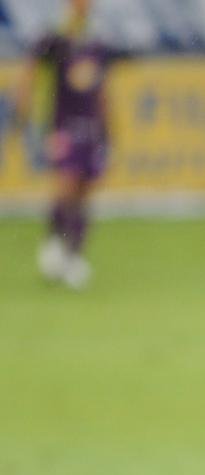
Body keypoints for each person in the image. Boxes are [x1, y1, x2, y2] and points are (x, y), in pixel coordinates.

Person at [13, 0, 110, 290]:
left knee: (84, 192)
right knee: (66, 187)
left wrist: (109, 130)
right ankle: (58, 245)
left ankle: (72, 253)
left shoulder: (97, 38)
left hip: (91, 129)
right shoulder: (54, 37)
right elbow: (30, 74)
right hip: (62, 127)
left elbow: (101, 88)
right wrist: (23, 114)